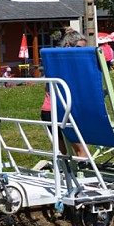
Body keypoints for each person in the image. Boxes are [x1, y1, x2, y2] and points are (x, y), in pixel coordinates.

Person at [40, 28, 87, 159]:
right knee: (83, 150)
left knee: (62, 153)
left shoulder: (52, 61)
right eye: (78, 48)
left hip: (48, 111)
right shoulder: (75, 65)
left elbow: (46, 87)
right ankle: (81, 173)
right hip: (67, 112)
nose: (80, 52)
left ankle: (64, 172)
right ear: (67, 45)